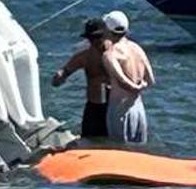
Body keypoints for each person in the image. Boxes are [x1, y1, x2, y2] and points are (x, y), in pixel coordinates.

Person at [50, 17, 111, 138]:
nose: (95, 41)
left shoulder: (116, 51)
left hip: (113, 107)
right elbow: (66, 70)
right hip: (94, 107)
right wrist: (60, 75)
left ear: (105, 35)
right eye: (91, 38)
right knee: (88, 142)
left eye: (98, 37)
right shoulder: (85, 56)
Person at [98, 10, 153, 143]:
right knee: (139, 152)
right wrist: (140, 86)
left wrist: (134, 87)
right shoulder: (137, 48)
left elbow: (122, 81)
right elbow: (150, 80)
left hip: (120, 110)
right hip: (139, 110)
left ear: (107, 30)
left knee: (120, 151)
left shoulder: (109, 55)